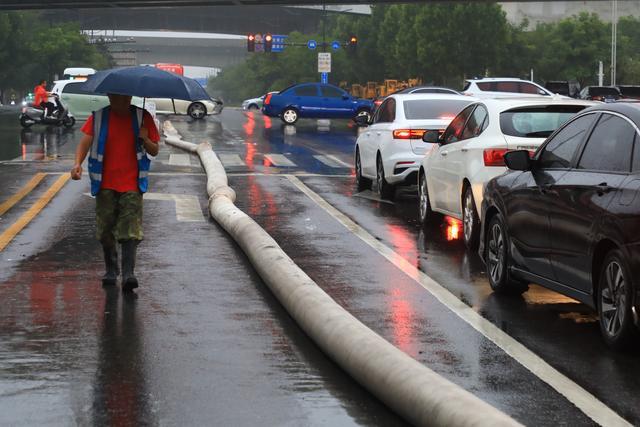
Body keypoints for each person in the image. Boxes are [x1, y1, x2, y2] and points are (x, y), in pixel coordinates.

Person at [70, 94, 160, 292]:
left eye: (126, 98)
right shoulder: (99, 117)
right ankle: (111, 270)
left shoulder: (142, 117)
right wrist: (77, 163)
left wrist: (145, 139)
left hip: (132, 184)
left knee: (130, 230)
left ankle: (129, 274)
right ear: (110, 97)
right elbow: (85, 142)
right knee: (105, 230)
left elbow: (154, 150)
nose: (123, 102)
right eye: (118, 98)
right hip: (105, 184)